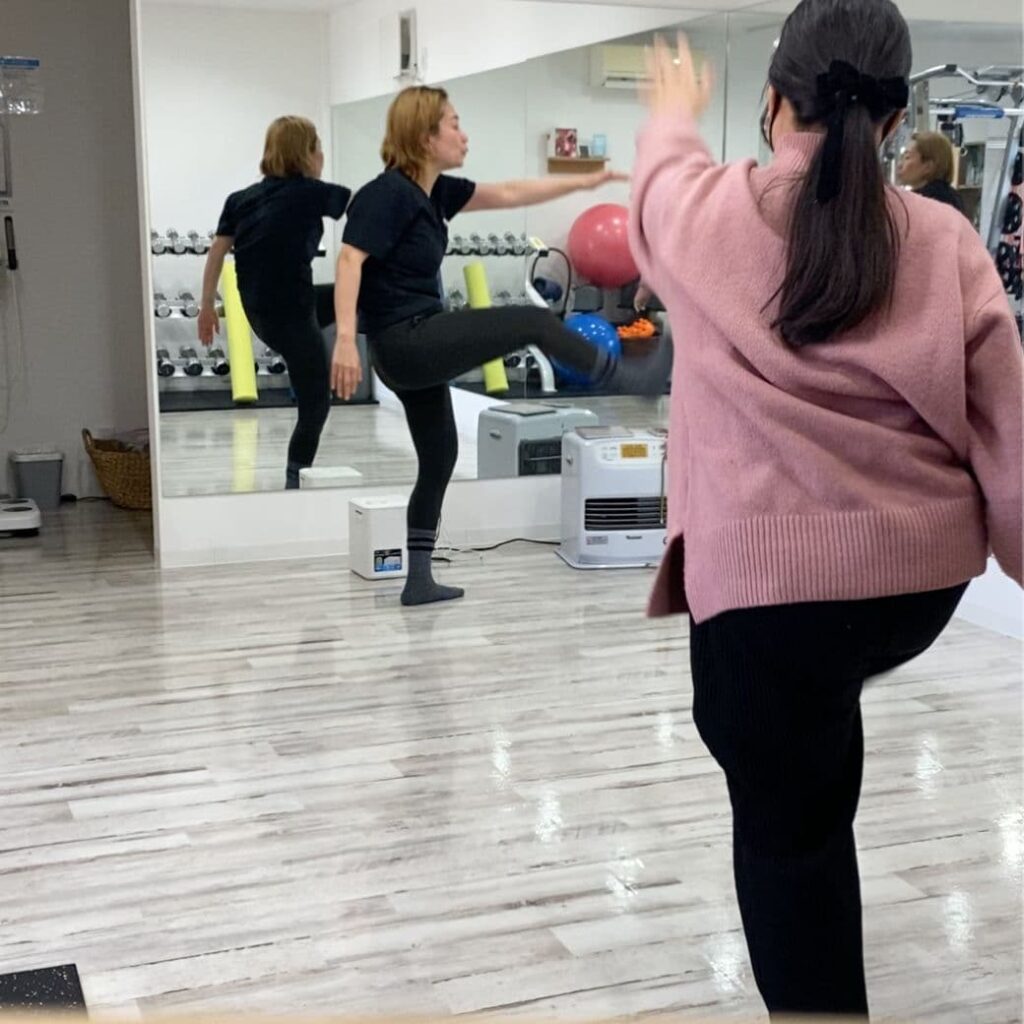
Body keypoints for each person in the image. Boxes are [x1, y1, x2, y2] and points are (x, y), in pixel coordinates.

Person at [630, 2, 1022, 1019]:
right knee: (812, 734)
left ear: (773, 102)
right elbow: (1011, 448)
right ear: (892, 122)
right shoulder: (945, 239)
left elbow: (657, 182)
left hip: (768, 596)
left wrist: (671, 112)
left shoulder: (705, 215)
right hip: (912, 588)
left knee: (785, 835)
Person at [333, 85, 672, 607]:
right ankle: (628, 379)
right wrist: (345, 343)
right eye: (454, 124)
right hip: (405, 341)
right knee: (533, 320)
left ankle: (418, 579)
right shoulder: (386, 194)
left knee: (440, 455)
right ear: (424, 136)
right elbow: (350, 259)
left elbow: (511, 192)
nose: (463, 134)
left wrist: (586, 180)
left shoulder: (435, 193)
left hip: (414, 343)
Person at [199, 116, 351, 489]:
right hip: (293, 316)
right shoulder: (311, 192)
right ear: (307, 153)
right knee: (316, 406)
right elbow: (365, 205)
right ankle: (293, 484)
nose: (322, 156)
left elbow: (217, 252)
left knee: (359, 293)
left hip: (261, 314)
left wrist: (205, 307)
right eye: (318, 147)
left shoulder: (240, 199)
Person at [897, 130, 966, 213]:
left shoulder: (925, 202)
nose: (899, 165)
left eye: (907, 157)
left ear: (928, 167)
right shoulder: (952, 198)